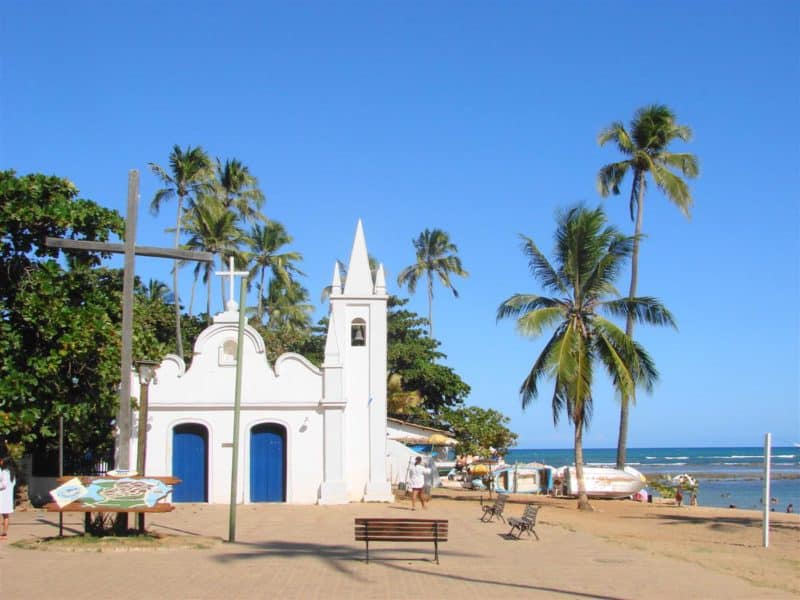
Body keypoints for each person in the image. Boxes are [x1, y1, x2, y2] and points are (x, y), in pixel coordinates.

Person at [0, 457, 16, 538]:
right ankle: (4, 533)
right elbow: (13, 484)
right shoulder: (12, 473)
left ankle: (3, 533)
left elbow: (3, 484)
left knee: (4, 515)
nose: (1, 462)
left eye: (2, 461)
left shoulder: (4, 472)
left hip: (2, 496)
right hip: (8, 497)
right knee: (6, 516)